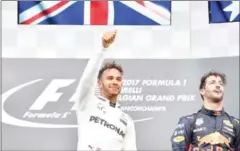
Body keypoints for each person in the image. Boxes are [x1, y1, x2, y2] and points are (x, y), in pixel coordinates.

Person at [74, 30, 137, 151]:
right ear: (99, 83)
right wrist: (102, 48)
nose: (115, 82)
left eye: (118, 79)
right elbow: (88, 78)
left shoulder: (127, 121)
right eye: (110, 78)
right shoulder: (87, 103)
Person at [171, 70, 240, 151]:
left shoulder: (236, 123)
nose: (218, 85)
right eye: (212, 82)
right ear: (202, 90)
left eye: (221, 83)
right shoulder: (187, 121)